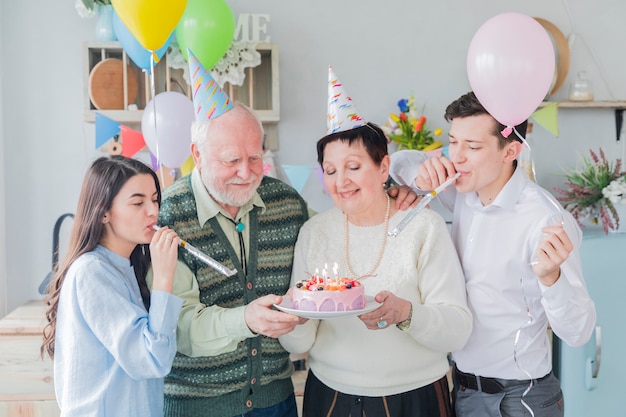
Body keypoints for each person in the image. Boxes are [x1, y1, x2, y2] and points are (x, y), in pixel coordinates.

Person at [156, 57, 419, 417]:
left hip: (275, 402)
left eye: (255, 157)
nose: (247, 173)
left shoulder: (286, 202)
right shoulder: (169, 216)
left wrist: (388, 191)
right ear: (197, 155)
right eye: (231, 160)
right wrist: (246, 320)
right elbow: (176, 326)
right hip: (198, 405)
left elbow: (347, 224)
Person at [277, 67, 472, 417]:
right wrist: (296, 320)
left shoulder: (422, 226)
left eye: (353, 166)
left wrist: (407, 313)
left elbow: (457, 330)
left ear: (384, 168)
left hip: (416, 397)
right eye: (330, 170)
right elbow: (299, 344)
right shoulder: (314, 232)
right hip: (331, 397)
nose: (341, 181)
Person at [390, 91, 597, 417]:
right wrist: (420, 175)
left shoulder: (545, 220)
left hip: (520, 398)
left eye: (472, 147)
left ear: (511, 150)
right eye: (453, 141)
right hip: (462, 388)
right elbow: (400, 163)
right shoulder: (462, 194)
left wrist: (551, 277)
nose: (456, 157)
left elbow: (579, 332)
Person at [41, 155, 184, 417]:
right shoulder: (92, 271)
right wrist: (165, 277)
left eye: (154, 199)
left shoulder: (127, 267)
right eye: (138, 202)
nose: (153, 211)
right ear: (104, 211)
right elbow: (153, 360)